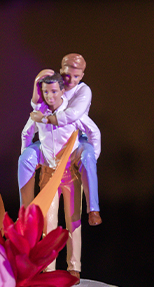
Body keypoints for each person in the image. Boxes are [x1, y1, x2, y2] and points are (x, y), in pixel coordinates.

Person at [21, 72, 100, 277]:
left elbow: (93, 132)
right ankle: (48, 269)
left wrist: (90, 157)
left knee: (73, 222)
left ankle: (74, 267)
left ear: (62, 91)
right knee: (49, 223)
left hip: (70, 175)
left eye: (54, 91)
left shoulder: (73, 113)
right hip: (48, 175)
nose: (50, 96)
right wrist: (30, 154)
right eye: (46, 92)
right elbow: (26, 133)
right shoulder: (38, 113)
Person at [18, 54, 101, 225]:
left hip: (76, 139)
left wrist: (46, 119)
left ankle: (93, 209)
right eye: (67, 75)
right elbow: (32, 118)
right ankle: (25, 212)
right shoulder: (47, 99)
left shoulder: (82, 91)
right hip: (49, 145)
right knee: (25, 159)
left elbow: (75, 117)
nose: (71, 80)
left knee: (88, 157)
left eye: (76, 76)